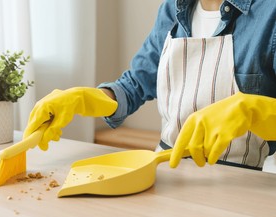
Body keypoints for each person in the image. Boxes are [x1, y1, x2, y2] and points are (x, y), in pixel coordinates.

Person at [24, 0, 276, 171]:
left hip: (243, 181)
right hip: (167, 168)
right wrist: (88, 98)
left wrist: (253, 109)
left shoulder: (269, 12)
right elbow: (135, 84)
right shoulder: (173, 8)